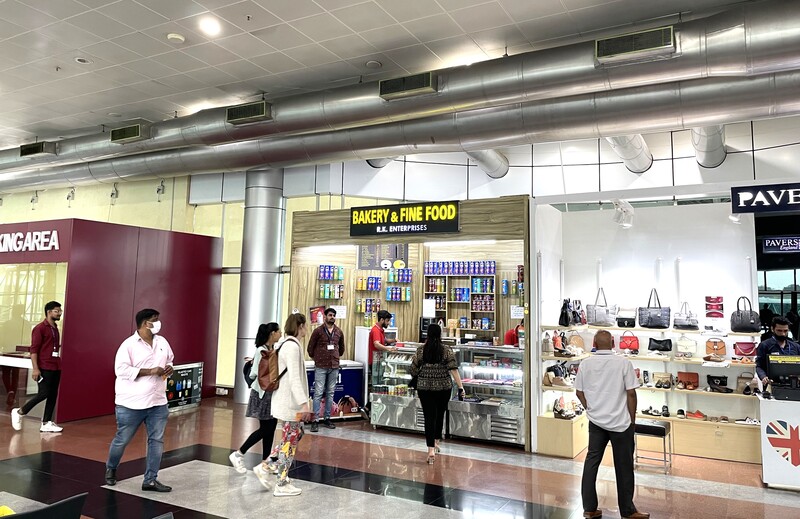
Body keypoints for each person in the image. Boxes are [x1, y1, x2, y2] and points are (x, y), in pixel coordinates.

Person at [575, 330, 648, 519]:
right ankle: (627, 511)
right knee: (624, 466)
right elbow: (631, 393)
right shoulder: (623, 363)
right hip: (621, 423)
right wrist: (632, 420)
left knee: (591, 462)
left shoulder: (585, 364)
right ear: (613, 343)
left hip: (596, 421)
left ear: (594, 343)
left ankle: (589, 508)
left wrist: (590, 408)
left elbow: (579, 392)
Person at [104, 309, 174, 493]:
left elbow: (170, 360)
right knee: (123, 439)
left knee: (156, 440)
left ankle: (150, 479)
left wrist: (169, 368)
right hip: (131, 403)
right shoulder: (128, 345)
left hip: (158, 401)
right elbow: (121, 370)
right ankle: (111, 468)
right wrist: (150, 371)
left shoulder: (162, 342)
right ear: (145, 323)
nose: (158, 323)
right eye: (155, 320)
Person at [262, 313, 313, 497]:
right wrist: (304, 403)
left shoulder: (285, 343)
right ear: (300, 326)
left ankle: (268, 465)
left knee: (295, 435)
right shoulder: (292, 347)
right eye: (305, 325)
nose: (306, 329)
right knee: (289, 443)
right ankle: (281, 482)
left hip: (288, 403)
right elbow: (294, 379)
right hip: (291, 404)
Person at [229, 322, 281, 475]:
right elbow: (255, 373)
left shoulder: (270, 350)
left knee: (271, 428)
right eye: (278, 331)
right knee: (265, 428)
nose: (280, 334)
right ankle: (239, 453)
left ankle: (266, 462)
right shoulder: (261, 350)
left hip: (270, 393)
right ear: (272, 333)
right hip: (262, 394)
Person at [409, 324, 464, 464]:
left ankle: (430, 450)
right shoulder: (446, 350)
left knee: (429, 417)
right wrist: (460, 387)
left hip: (424, 388)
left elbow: (413, 369)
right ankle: (436, 442)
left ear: (427, 334)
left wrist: (423, 373)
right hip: (444, 388)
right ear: (440, 335)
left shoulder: (421, 350)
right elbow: (453, 369)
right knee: (440, 415)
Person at [11, 301, 64, 433]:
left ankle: (46, 422)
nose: (59, 313)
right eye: (57, 311)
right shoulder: (40, 328)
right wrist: (35, 368)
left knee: (53, 394)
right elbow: (34, 350)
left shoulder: (55, 328)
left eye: (60, 311)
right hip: (44, 366)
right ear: (49, 312)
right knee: (44, 393)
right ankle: (20, 412)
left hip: (56, 366)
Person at [307, 308, 345, 432]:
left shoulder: (338, 332)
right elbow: (310, 348)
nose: (332, 317)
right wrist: (317, 358)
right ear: (325, 317)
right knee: (318, 393)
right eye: (330, 315)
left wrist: (335, 356)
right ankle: (315, 420)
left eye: (334, 315)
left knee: (330, 393)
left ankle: (327, 418)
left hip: (334, 366)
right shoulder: (318, 331)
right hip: (321, 366)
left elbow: (341, 349)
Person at [756, 316, 800, 388]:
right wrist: (763, 377)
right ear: (772, 329)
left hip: (794, 385)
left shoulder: (796, 347)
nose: (783, 334)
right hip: (772, 385)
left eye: (785, 331)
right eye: (779, 331)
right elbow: (759, 366)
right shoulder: (765, 345)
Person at [368, 310, 397, 386]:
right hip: (375, 362)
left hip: (379, 361)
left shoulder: (380, 330)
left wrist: (394, 340)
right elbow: (376, 344)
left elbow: (385, 340)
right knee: (377, 384)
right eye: (387, 321)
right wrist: (389, 349)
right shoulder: (375, 330)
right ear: (381, 320)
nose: (388, 323)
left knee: (380, 382)